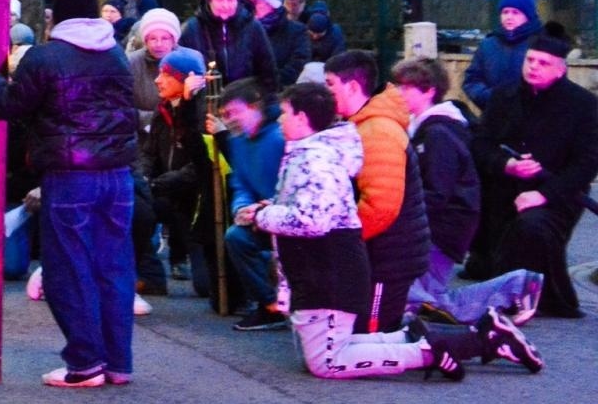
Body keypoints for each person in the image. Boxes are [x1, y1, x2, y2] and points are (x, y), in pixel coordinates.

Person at [237, 82, 541, 381]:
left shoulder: (330, 151)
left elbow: (325, 218)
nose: (279, 118)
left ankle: (447, 345)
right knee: (329, 352)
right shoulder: (318, 150)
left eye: (285, 113)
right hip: (343, 264)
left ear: (303, 117)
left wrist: (266, 215)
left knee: (329, 360)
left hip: (361, 262)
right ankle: (463, 338)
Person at [0, 0, 139, 388]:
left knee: (68, 269)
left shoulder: (45, 58)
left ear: (57, 12)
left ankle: (84, 363)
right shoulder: (115, 54)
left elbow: (7, 105)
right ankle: (118, 362)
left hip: (70, 175)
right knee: (113, 268)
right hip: (118, 176)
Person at [388, 58, 542, 325]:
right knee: (421, 299)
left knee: (425, 301)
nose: (398, 94)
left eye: (406, 88)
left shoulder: (437, 134)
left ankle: (518, 286)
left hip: (442, 229)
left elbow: (437, 193)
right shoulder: (427, 129)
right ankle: (519, 286)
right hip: (443, 227)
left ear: (429, 91)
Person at [469, 26, 598, 319]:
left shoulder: (584, 105)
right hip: (505, 187)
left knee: (533, 226)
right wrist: (508, 165)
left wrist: (542, 194)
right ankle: (503, 290)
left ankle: (534, 297)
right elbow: (482, 143)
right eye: (530, 61)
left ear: (561, 69)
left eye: (543, 63)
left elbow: (587, 163)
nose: (534, 68)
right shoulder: (504, 96)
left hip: (559, 193)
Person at [324, 50, 431, 333]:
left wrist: (341, 238)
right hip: (384, 254)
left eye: (330, 84)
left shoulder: (377, 131)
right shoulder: (363, 125)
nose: (326, 93)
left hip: (390, 258)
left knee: (373, 335)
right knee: (367, 333)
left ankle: (477, 339)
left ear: (353, 87)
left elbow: (381, 208)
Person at [207, 79, 288, 331]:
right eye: (225, 115)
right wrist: (241, 209)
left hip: (286, 215)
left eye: (233, 112)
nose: (230, 120)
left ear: (255, 107)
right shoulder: (239, 141)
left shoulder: (280, 137)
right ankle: (269, 304)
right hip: (260, 216)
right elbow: (240, 183)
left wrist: (265, 208)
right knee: (236, 237)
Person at [139, 48, 214, 310]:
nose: (158, 80)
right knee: (136, 212)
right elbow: (148, 153)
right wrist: (145, 180)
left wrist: (160, 183)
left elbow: (199, 165)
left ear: (185, 80)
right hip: (165, 194)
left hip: (194, 202)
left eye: (166, 74)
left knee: (205, 287)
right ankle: (150, 275)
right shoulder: (162, 110)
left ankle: (191, 254)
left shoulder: (204, 112)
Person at [179, 0, 276, 89]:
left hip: (244, 102)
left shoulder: (252, 27)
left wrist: (270, 104)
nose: (225, 5)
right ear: (209, 0)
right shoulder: (192, 30)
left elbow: (268, 71)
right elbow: (179, 74)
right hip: (206, 103)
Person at [462, 0, 542, 110]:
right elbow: (472, 80)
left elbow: (554, 83)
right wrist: (492, 98)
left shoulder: (542, 44)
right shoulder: (488, 45)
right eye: (505, 12)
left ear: (528, 16)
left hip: (532, 120)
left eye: (515, 12)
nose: (509, 17)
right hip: (493, 118)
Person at [242, 0, 310, 86]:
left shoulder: (297, 32)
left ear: (271, 3)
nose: (249, 7)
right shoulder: (240, 30)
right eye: (246, 3)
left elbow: (296, 68)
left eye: (255, 2)